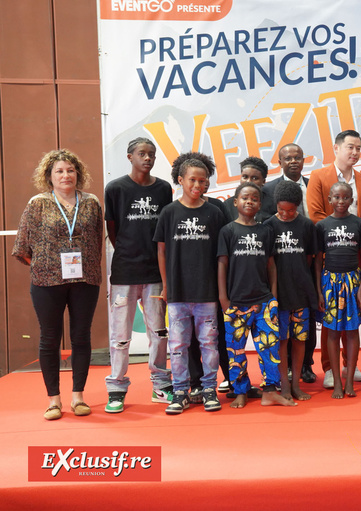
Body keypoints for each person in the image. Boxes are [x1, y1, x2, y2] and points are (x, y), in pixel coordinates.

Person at [13, 149, 103, 420]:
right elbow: (22, 247)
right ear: (49, 176)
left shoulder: (91, 202)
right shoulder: (37, 203)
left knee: (81, 337)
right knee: (49, 339)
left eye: (71, 170)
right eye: (59, 171)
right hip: (46, 282)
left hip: (85, 280)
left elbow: (98, 240)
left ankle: (78, 397)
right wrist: (47, 264)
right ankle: (54, 400)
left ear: (78, 174)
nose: (66, 175)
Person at [103, 138, 174, 413]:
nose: (148, 158)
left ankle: (160, 384)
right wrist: (127, 250)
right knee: (120, 336)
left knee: (159, 331)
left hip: (155, 271)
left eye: (152, 154)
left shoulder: (163, 188)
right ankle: (117, 388)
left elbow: (164, 232)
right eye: (142, 154)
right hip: (124, 272)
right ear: (130, 156)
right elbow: (113, 229)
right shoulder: (116, 188)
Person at [154, 157, 227, 414]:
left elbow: (221, 256)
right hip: (177, 293)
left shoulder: (215, 213)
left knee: (209, 343)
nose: (197, 185)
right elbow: (161, 252)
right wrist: (166, 285)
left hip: (206, 293)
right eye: (192, 180)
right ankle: (181, 391)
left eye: (203, 181)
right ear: (181, 180)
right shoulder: (169, 213)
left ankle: (209, 389)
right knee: (177, 345)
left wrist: (221, 292)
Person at [307, 130, 361, 388]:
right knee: (331, 320)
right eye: (349, 147)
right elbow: (315, 215)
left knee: (352, 318)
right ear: (336, 148)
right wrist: (336, 233)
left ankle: (351, 365)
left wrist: (356, 237)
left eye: (358, 148)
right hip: (330, 255)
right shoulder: (319, 176)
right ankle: (330, 369)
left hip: (354, 256)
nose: (355, 152)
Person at [217, 182, 294, 408]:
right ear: (236, 202)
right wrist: (223, 298)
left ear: (260, 204)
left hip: (264, 302)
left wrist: (273, 296)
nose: (249, 201)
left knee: (269, 350)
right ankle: (240, 391)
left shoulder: (265, 231)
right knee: (236, 351)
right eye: (245, 198)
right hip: (235, 302)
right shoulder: (228, 231)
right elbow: (222, 264)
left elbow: (271, 265)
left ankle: (269, 391)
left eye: (254, 198)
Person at [315, 182, 361, 399]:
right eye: (336, 197)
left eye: (345, 198)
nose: (341, 202)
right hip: (330, 282)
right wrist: (320, 291)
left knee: (351, 332)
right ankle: (337, 382)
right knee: (332, 332)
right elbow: (318, 260)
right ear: (329, 199)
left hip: (352, 282)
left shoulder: (359, 224)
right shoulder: (321, 226)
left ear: (352, 200)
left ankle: (349, 380)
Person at [264, 143, 316, 384]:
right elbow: (269, 263)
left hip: (301, 293)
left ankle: (296, 383)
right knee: (282, 339)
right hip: (279, 295)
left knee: (300, 340)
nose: (285, 215)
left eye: (290, 211)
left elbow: (309, 258)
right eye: (280, 210)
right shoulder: (269, 227)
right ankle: (284, 384)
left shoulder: (306, 226)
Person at [222, 156, 273, 222]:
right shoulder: (228, 205)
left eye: (254, 178)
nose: (248, 181)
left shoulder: (273, 203)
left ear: (263, 181)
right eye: (245, 177)